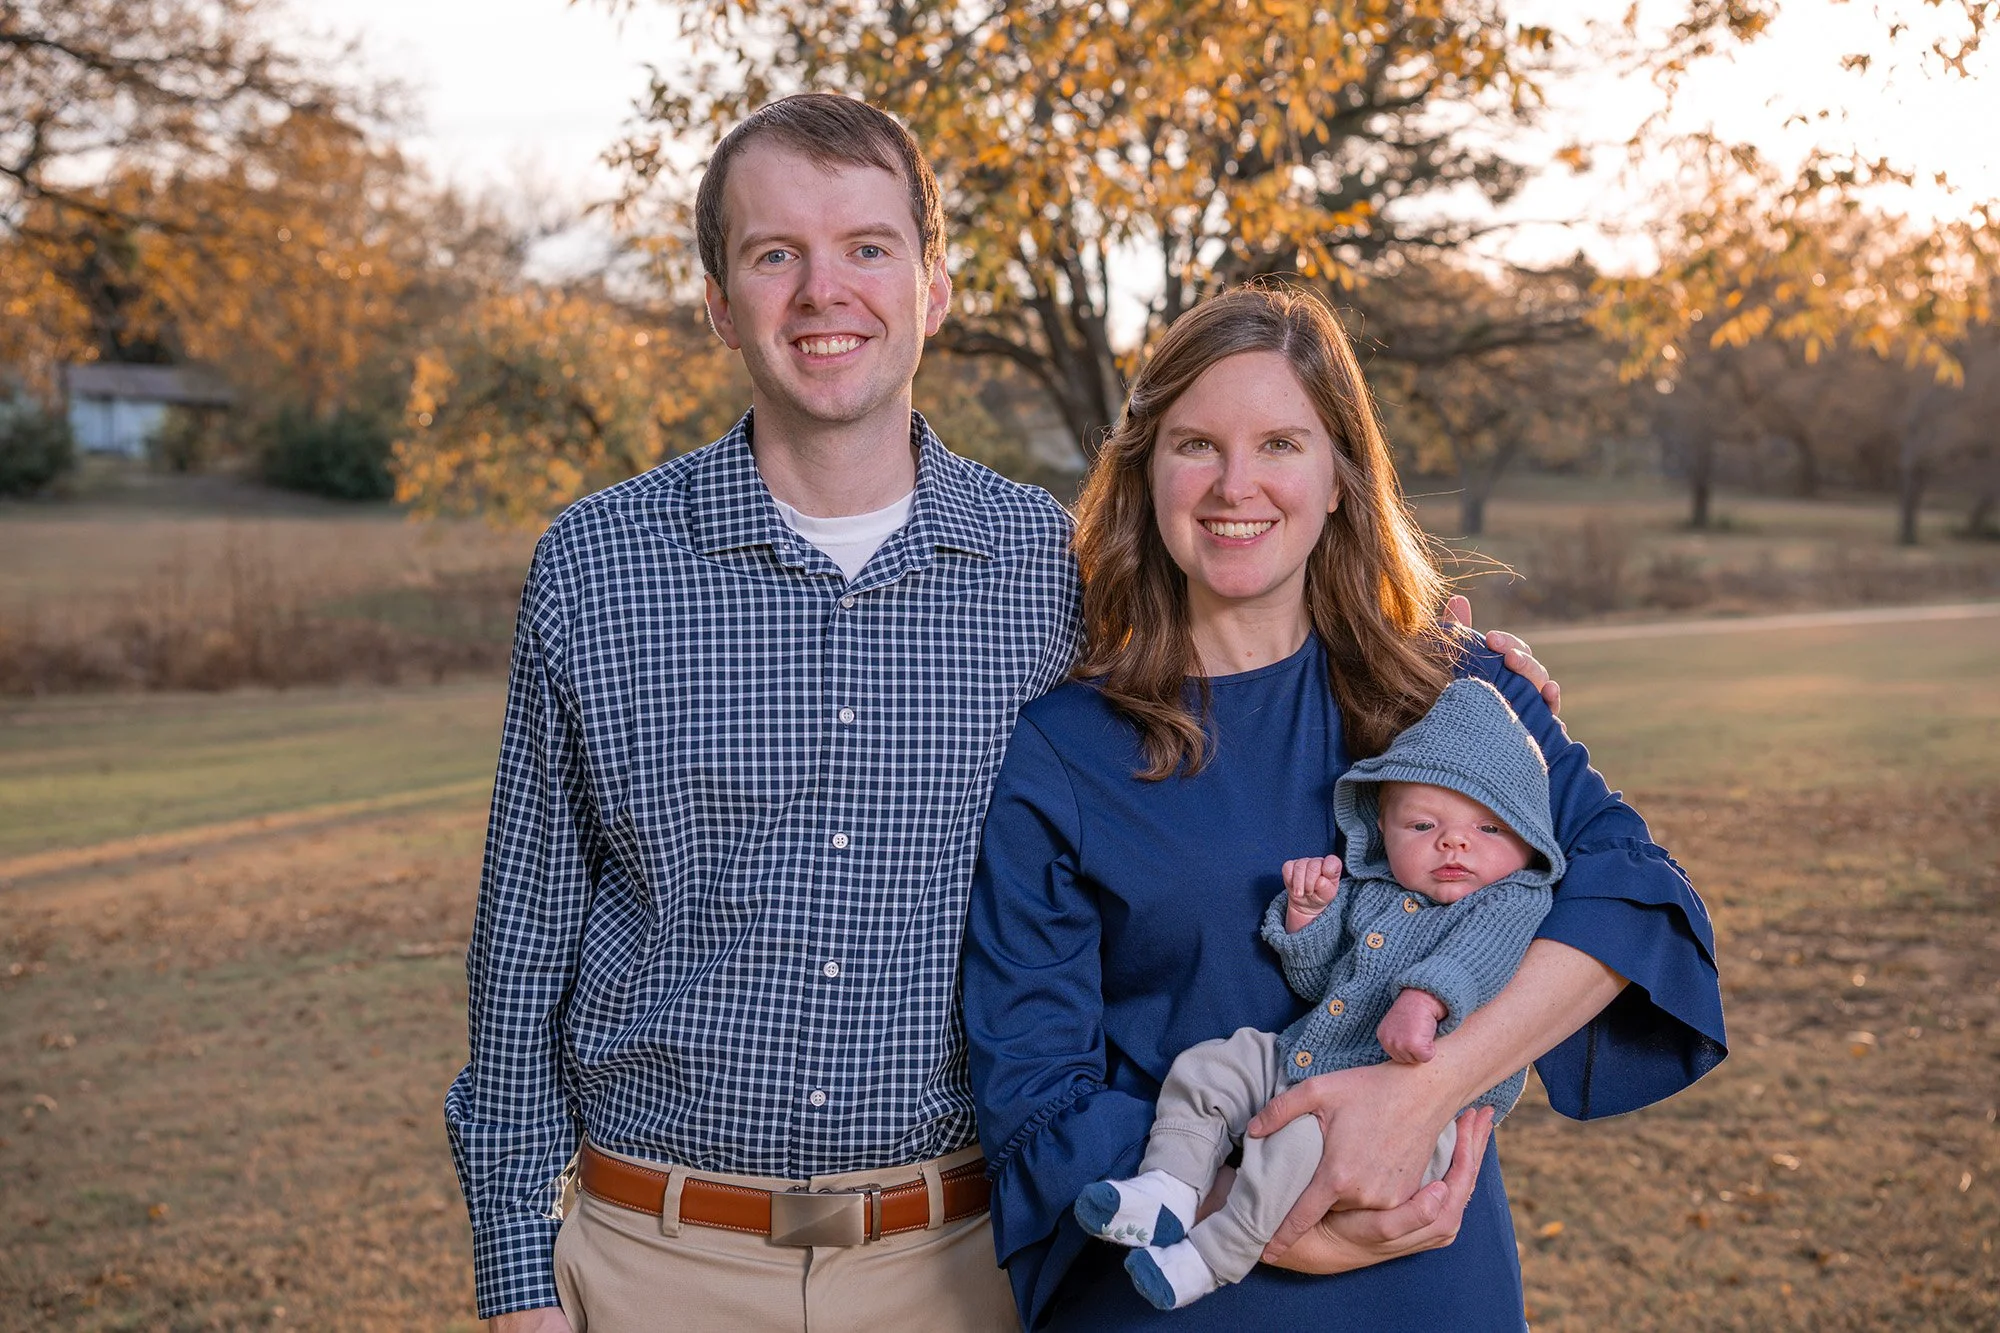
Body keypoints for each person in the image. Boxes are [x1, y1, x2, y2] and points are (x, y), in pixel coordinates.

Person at [445, 94, 1565, 1333]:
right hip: (654, 1258)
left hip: (955, 1265)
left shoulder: (1049, 568)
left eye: (867, 248)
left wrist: (1435, 658)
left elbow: (1248, 619)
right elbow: (520, 948)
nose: (825, 291)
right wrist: (514, 1278)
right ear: (718, 300)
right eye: (775, 255)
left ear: (934, 285)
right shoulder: (599, 567)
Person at [963, 285, 1726, 1330]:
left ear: (1338, 478)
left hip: (1423, 1270)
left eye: (1281, 441)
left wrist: (1420, 1094)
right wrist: (1266, 1215)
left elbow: (1631, 895)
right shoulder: (1062, 748)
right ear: (1145, 473)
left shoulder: (1457, 694)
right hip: (1173, 1282)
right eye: (1195, 444)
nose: (1236, 484)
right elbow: (1036, 1096)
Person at [1076, 678, 1563, 1310]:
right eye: (1422, 824)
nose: (1453, 842)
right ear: (1380, 827)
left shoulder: (1512, 899)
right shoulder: (1378, 890)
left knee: (1295, 1147)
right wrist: (1308, 921)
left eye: (1489, 828)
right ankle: (1168, 1187)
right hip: (1307, 1059)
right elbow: (1321, 985)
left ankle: (1213, 1256)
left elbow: (1478, 962)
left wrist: (1424, 1001)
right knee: (1213, 1067)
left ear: (1528, 840)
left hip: (1409, 1117)